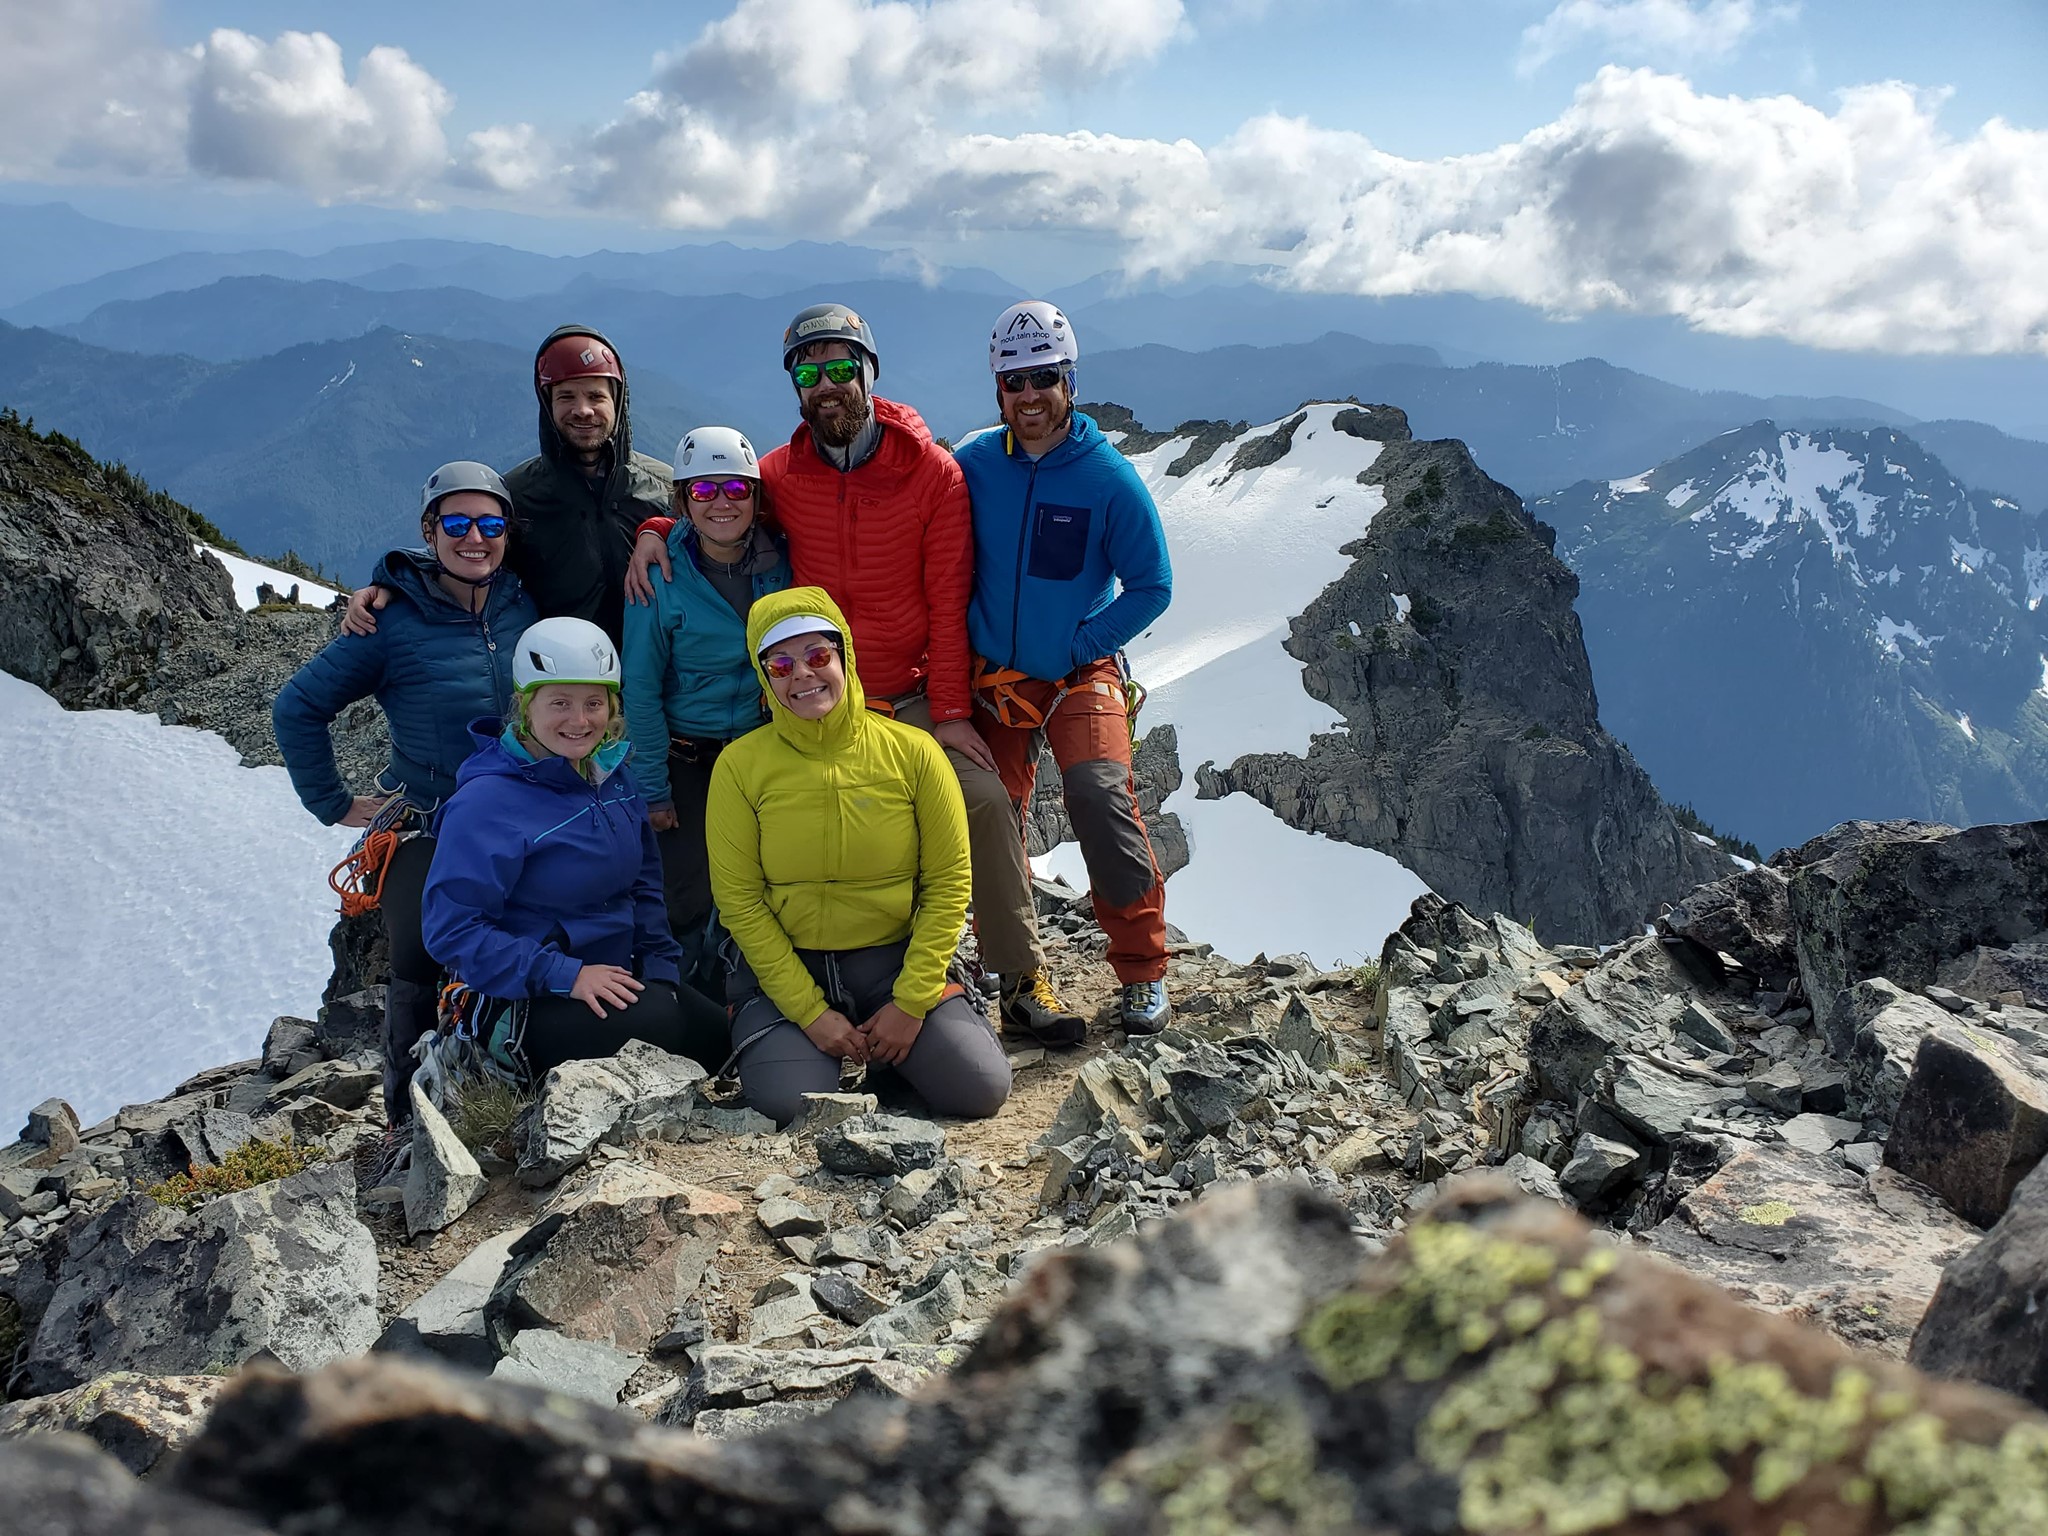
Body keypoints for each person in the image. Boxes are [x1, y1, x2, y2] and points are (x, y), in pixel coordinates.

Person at [630, 302, 1085, 1046]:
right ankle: (793, 985)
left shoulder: (930, 472)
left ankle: (1021, 977)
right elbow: (716, 508)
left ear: (871, 372)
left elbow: (948, 600)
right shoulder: (780, 472)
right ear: (796, 389)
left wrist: (948, 713)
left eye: (842, 367)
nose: (827, 383)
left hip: (901, 696)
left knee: (984, 800)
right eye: (810, 372)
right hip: (803, 700)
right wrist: (654, 532)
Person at [272, 461, 539, 1124]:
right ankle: (404, 1116)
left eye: (489, 523)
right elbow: (297, 707)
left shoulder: (521, 600)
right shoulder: (391, 623)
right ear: (429, 530)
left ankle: (519, 1094)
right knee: (420, 962)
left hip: (520, 815)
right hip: (432, 819)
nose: (474, 537)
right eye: (457, 522)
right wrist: (333, 803)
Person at [706, 587, 1013, 1127]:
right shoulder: (738, 767)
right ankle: (848, 1046)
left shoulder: (914, 752)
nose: (802, 674)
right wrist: (810, 1012)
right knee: (790, 1104)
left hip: (890, 964)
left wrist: (913, 1001)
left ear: (844, 655)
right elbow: (740, 902)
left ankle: (895, 1044)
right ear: (764, 678)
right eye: (780, 663)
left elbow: (947, 883)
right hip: (787, 969)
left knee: (979, 1089)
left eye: (818, 656)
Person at [955, 301, 1175, 1033]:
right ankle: (1020, 981)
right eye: (1014, 382)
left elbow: (1152, 586)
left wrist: (1080, 647)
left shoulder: (1107, 479)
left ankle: (1142, 970)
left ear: (1070, 380)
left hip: (1079, 674)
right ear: (998, 389)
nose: (1029, 397)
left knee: (1101, 797)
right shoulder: (975, 464)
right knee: (992, 816)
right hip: (997, 674)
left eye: (1043, 378)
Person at [421, 617, 731, 1079]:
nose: (580, 721)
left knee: (728, 1041)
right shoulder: (485, 804)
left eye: (593, 703)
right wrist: (566, 975)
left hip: (615, 977)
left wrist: (662, 972)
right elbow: (452, 931)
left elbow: (644, 884)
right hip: (525, 1000)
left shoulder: (611, 777)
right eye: (560, 703)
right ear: (526, 706)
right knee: (675, 1033)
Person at [343, 325, 671, 646]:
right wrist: (392, 585)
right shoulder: (519, 495)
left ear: (617, 401)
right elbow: (467, 549)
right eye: (566, 396)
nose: (582, 410)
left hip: (660, 683)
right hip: (564, 685)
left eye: (596, 396)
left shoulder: (666, 489)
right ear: (548, 405)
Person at [620, 427, 792, 985]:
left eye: (737, 489)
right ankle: (692, 1017)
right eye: (703, 491)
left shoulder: (780, 562)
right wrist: (653, 788)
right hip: (685, 758)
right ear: (681, 502)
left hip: (760, 749)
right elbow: (640, 688)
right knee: (688, 895)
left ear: (757, 498)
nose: (722, 503)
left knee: (768, 879)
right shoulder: (659, 574)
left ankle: (761, 996)